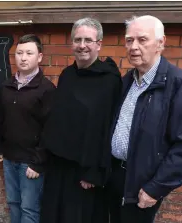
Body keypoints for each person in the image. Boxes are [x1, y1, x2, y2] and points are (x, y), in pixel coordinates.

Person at [107, 15, 182, 223]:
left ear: (161, 43)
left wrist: (155, 188)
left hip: (143, 185)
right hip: (116, 177)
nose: (134, 46)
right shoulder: (127, 81)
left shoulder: (177, 84)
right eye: (129, 40)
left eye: (142, 40)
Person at [39, 18, 122, 223]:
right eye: (77, 40)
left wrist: (94, 172)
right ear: (71, 43)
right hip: (59, 167)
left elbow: (106, 127)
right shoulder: (67, 74)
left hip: (85, 173)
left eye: (88, 40)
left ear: (99, 44)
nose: (82, 45)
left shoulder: (109, 80)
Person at [0, 34, 55, 223]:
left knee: (29, 209)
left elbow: (50, 129)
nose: (23, 57)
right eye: (19, 53)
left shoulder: (46, 89)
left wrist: (38, 162)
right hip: (9, 158)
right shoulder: (6, 86)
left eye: (29, 53)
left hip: (30, 163)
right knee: (13, 203)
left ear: (40, 57)